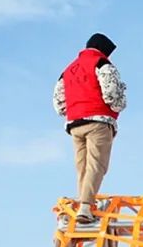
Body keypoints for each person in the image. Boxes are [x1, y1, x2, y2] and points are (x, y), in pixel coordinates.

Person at [53, 32, 127, 225]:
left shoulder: (68, 69)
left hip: (75, 122)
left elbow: (58, 101)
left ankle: (83, 204)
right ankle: (86, 207)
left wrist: (72, 111)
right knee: (97, 165)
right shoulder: (102, 64)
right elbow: (112, 92)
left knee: (82, 166)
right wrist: (117, 107)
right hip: (98, 120)